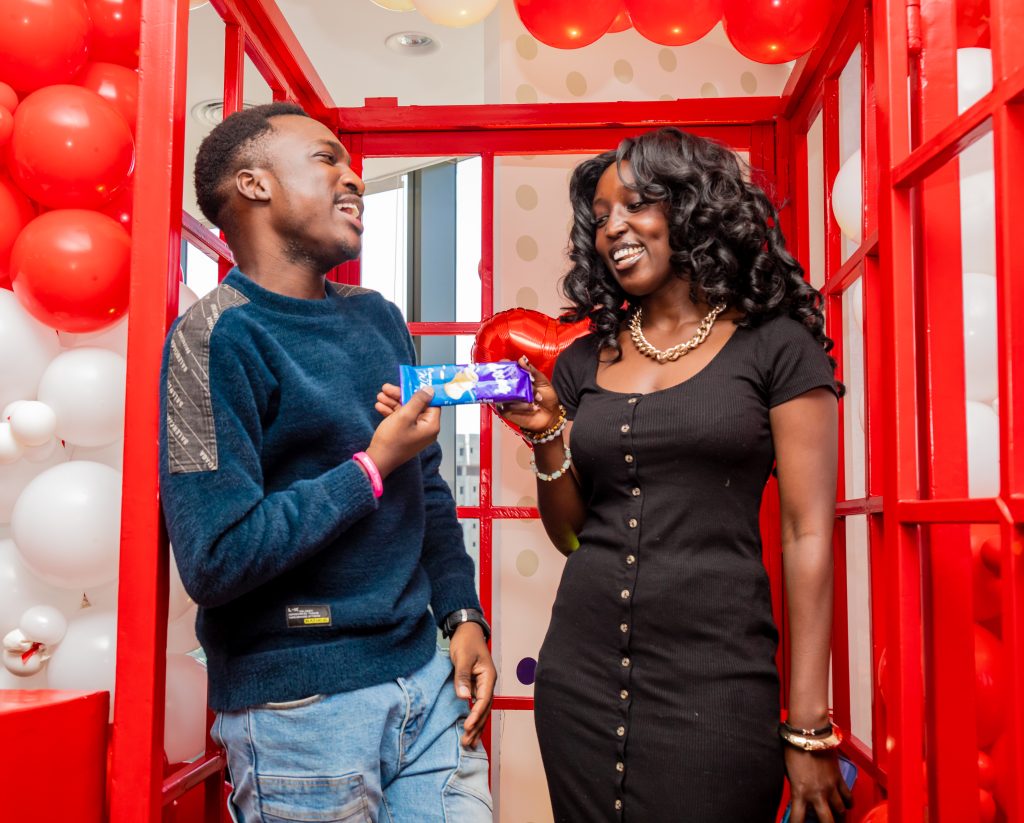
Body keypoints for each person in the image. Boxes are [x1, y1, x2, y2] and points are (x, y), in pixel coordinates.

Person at [501, 127, 851, 822]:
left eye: (635, 205)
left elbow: (808, 533)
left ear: (694, 207)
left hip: (716, 684)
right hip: (580, 682)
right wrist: (545, 434)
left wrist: (809, 721)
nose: (613, 230)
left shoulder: (776, 345)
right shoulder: (582, 363)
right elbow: (572, 535)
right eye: (600, 217)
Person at [158, 102, 495, 823]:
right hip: (301, 709)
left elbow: (425, 488)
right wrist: (369, 466)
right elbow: (215, 557)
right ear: (253, 184)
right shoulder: (206, 340)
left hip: (427, 685)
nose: (355, 177)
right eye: (326, 159)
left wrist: (463, 613)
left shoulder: (378, 316)